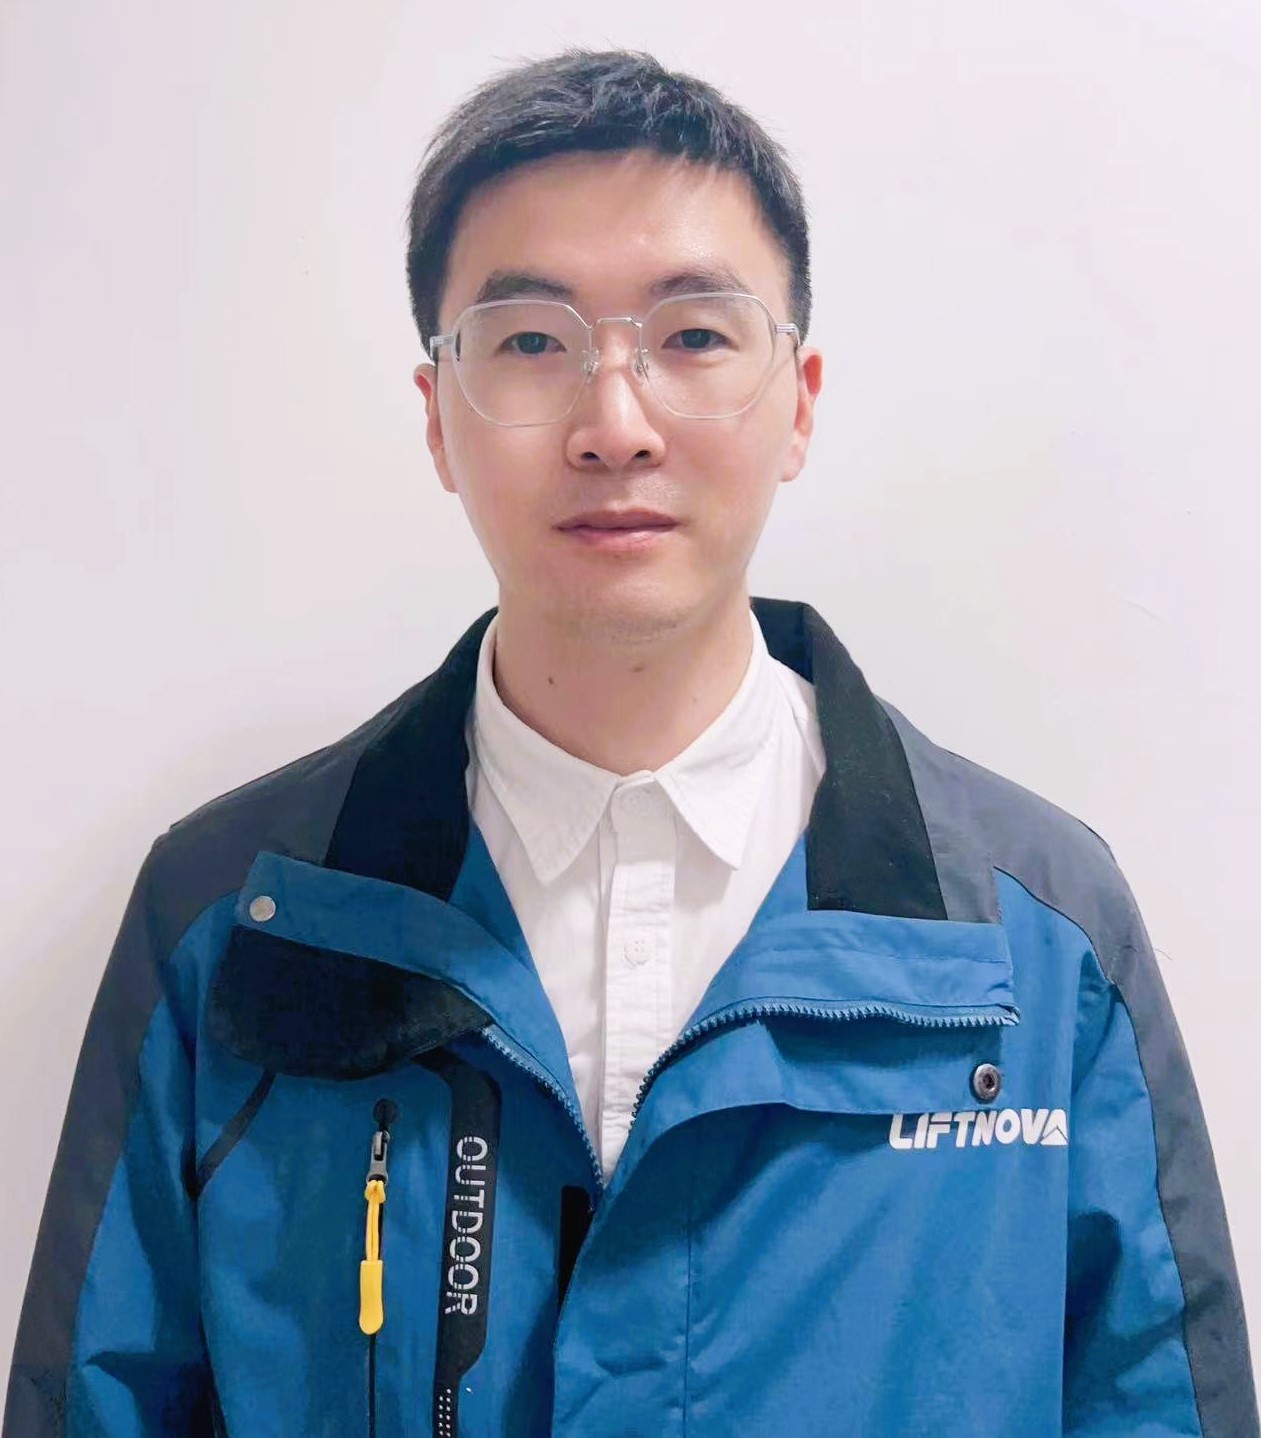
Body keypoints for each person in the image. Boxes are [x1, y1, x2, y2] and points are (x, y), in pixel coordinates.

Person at [4, 47, 1256, 1437]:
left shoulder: (1038, 940)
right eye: (531, 342)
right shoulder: (239, 920)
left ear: (799, 401)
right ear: (438, 417)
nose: (615, 425)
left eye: (694, 337)